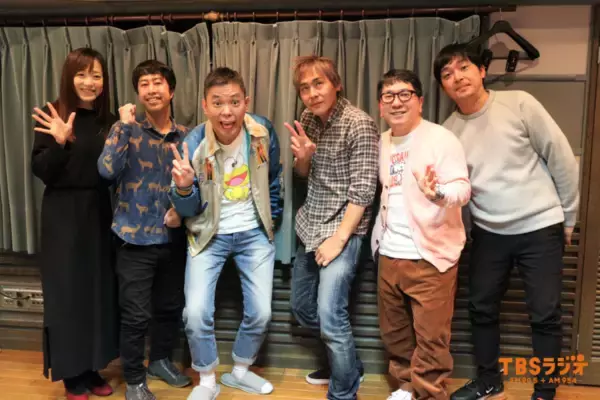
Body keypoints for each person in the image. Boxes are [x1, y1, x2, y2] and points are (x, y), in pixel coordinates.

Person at [433, 43, 580, 400]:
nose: (457, 78)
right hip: (488, 232)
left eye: (464, 68)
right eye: (447, 74)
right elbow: (457, 190)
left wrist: (569, 216)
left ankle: (545, 389)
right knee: (481, 308)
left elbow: (560, 155)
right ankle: (489, 380)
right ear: (443, 86)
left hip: (540, 226)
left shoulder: (519, 103)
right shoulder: (448, 132)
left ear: (482, 71)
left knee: (545, 313)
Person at [169, 67, 283, 400]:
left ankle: (240, 371)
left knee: (261, 312)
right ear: (205, 106)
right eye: (218, 103)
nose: (227, 111)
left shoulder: (262, 132)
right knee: (195, 313)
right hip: (208, 234)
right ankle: (207, 379)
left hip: (254, 234)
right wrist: (184, 187)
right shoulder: (193, 143)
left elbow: (274, 179)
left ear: (246, 102)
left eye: (234, 101)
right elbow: (187, 208)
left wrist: (271, 221)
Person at [370, 69, 470, 400]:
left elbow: (462, 189)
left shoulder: (441, 139)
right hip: (389, 253)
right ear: (380, 105)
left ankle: (429, 393)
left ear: (420, 101)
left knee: (432, 338)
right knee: (395, 333)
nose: (396, 102)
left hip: (431, 256)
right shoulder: (382, 141)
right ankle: (405, 387)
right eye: (388, 96)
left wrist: (436, 193)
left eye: (405, 94)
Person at [285, 55, 379, 400]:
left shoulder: (359, 123)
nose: (312, 93)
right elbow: (303, 175)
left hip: (344, 229)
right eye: (304, 88)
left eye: (318, 83)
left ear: (336, 84)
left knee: (330, 314)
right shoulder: (308, 119)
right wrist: (304, 158)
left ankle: (343, 392)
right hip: (311, 223)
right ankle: (347, 366)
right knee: (301, 308)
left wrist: (339, 240)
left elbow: (364, 191)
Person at [98, 60, 191, 400]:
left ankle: (161, 360)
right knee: (136, 315)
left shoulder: (186, 136)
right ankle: (135, 379)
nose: (152, 89)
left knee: (169, 307)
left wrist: (183, 211)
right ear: (137, 92)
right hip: (133, 239)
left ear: (171, 90)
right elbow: (106, 171)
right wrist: (122, 126)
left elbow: (198, 186)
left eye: (158, 82)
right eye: (144, 84)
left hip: (172, 239)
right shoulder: (127, 129)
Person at [31, 47, 119, 400]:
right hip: (62, 215)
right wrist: (59, 142)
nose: (89, 82)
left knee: (96, 293)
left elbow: (114, 171)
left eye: (96, 75)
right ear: (69, 77)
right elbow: (41, 170)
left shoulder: (108, 120)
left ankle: (92, 366)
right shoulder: (53, 113)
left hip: (98, 212)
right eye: (82, 74)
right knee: (67, 295)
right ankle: (71, 374)